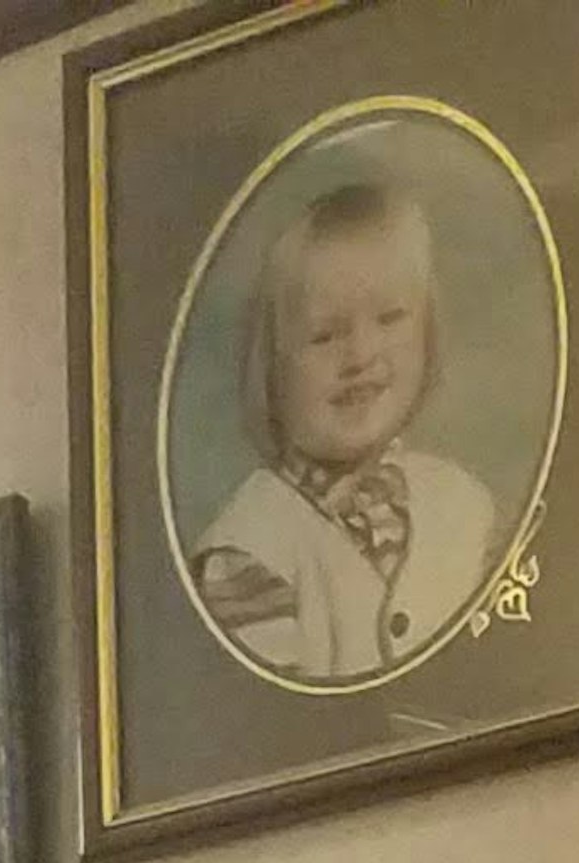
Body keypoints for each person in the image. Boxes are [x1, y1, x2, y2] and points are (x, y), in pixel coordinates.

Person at [184, 165, 503, 691]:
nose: (361, 355)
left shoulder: (466, 506)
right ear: (273, 367)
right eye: (325, 335)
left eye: (391, 318)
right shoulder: (248, 553)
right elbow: (270, 731)